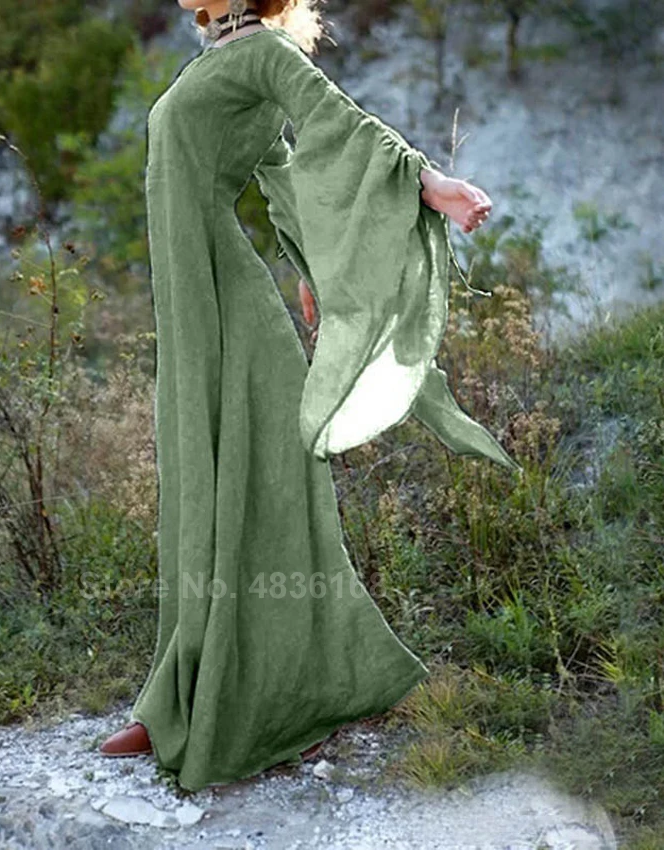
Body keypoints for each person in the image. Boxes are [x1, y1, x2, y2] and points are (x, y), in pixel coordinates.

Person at [99, 0, 522, 791]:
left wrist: (428, 182)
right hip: (192, 305)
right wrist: (305, 267)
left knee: (250, 488)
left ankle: (261, 699)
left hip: (227, 305)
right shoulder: (218, 59)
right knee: (198, 485)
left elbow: (338, 122)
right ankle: (180, 694)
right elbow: (281, 172)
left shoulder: (263, 52)